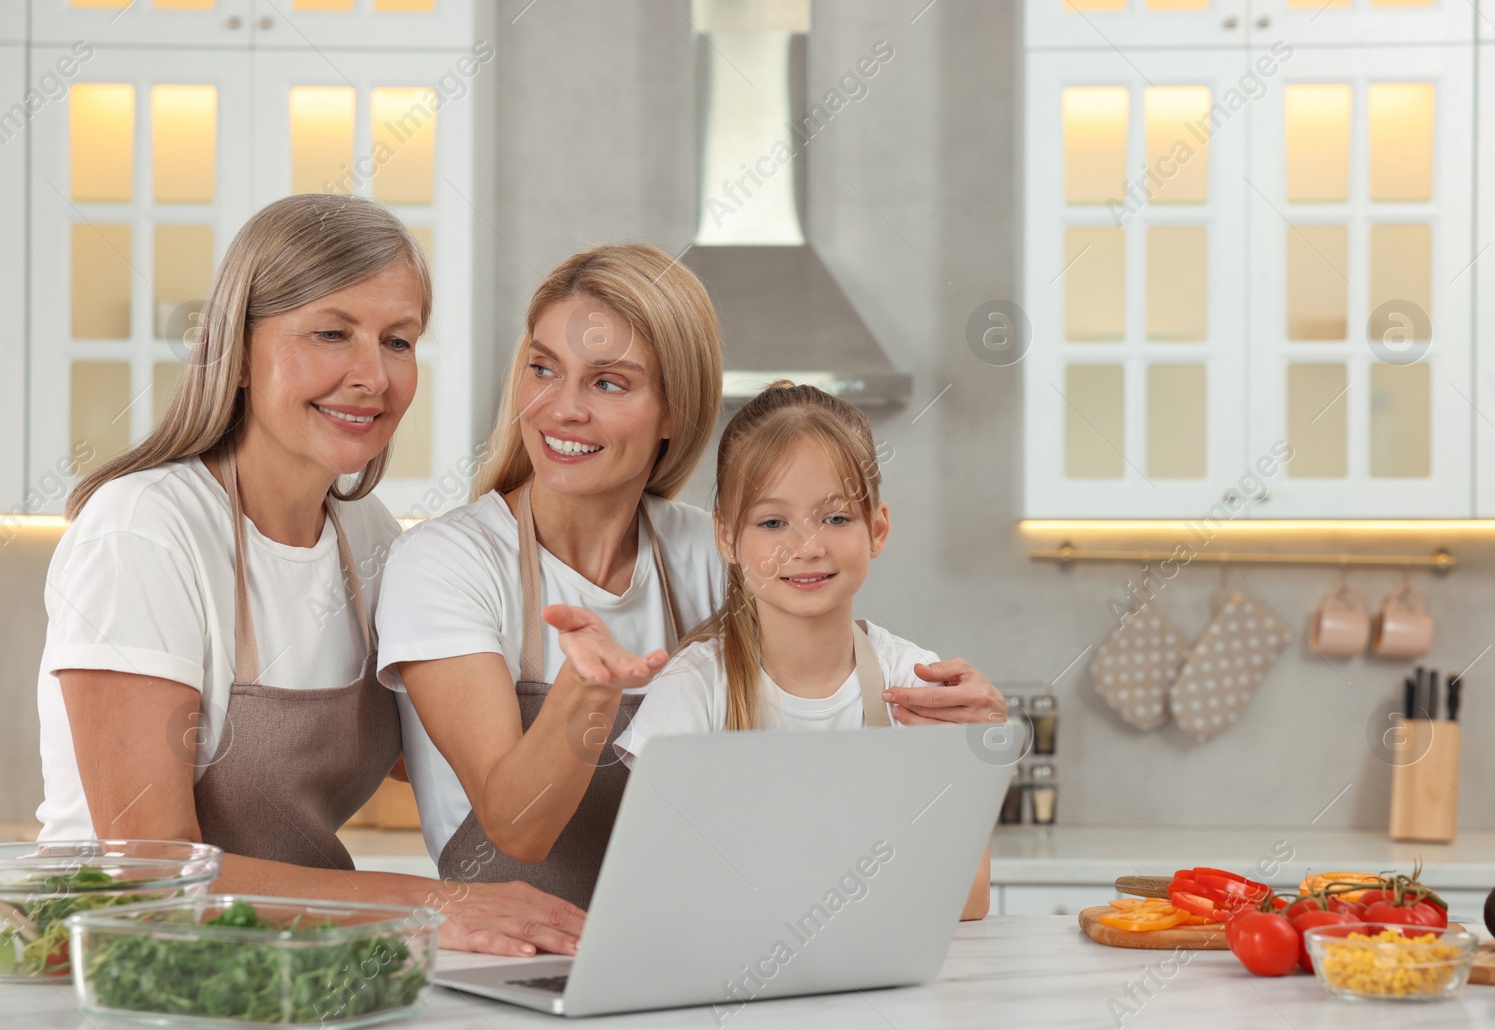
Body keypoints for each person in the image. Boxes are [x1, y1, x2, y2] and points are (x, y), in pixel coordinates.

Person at [381, 243, 1006, 912]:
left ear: (675, 411)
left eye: (608, 382)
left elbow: (820, 712)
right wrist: (586, 691)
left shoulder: (713, 553)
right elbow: (516, 827)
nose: (562, 408)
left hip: (694, 947)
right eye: (543, 368)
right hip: (506, 961)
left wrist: (962, 751)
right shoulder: (446, 564)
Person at [38, 194, 583, 957]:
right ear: (237, 348)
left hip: (302, 968)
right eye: (332, 333)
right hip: (127, 974)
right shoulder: (146, 531)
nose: (373, 375)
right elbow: (148, 873)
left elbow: (442, 759)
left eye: (399, 340)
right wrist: (433, 903)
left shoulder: (370, 537)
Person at [613, 382, 990, 919]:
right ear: (726, 537)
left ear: (877, 529)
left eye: (836, 518)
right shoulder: (693, 690)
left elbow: (970, 900)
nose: (807, 546)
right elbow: (651, 895)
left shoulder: (914, 681)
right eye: (772, 522)